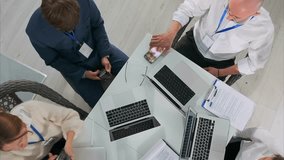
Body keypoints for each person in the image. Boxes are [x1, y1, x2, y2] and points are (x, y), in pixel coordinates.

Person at [26, 0, 128, 107]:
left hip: (98, 48)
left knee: (134, 69)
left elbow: (97, 25)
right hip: (74, 67)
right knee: (102, 107)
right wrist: (82, 73)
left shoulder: (85, 2)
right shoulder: (34, 32)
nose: (71, 30)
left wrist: (104, 54)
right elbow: (54, 60)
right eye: (66, 29)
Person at [150, 0, 274, 81]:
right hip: (192, 43)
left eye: (236, 17)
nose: (228, 17)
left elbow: (254, 63)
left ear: (255, 13)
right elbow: (187, 8)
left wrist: (220, 72)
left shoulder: (264, 28)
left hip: (220, 64)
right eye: (228, 9)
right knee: (157, 74)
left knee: (191, 103)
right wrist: (170, 34)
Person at [0, 100, 83, 160]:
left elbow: (69, 116)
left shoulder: (32, 109)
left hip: (68, 136)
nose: (21, 148)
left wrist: (69, 142)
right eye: (11, 149)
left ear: (24, 125)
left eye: (20, 141)